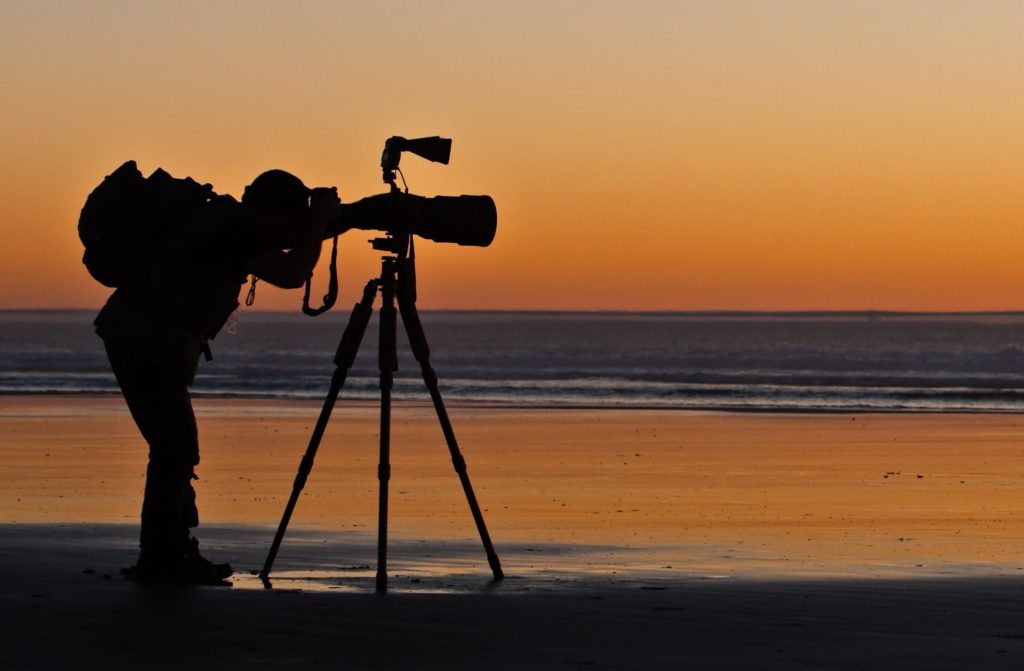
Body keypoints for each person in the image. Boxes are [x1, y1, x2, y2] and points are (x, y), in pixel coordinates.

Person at [95, 168, 345, 585]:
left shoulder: (223, 220)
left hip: (138, 335)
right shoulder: (234, 228)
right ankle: (162, 558)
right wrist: (318, 225)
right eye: (289, 220)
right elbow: (291, 274)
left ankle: (172, 550)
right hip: (145, 339)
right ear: (272, 212)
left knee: (174, 446)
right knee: (174, 447)